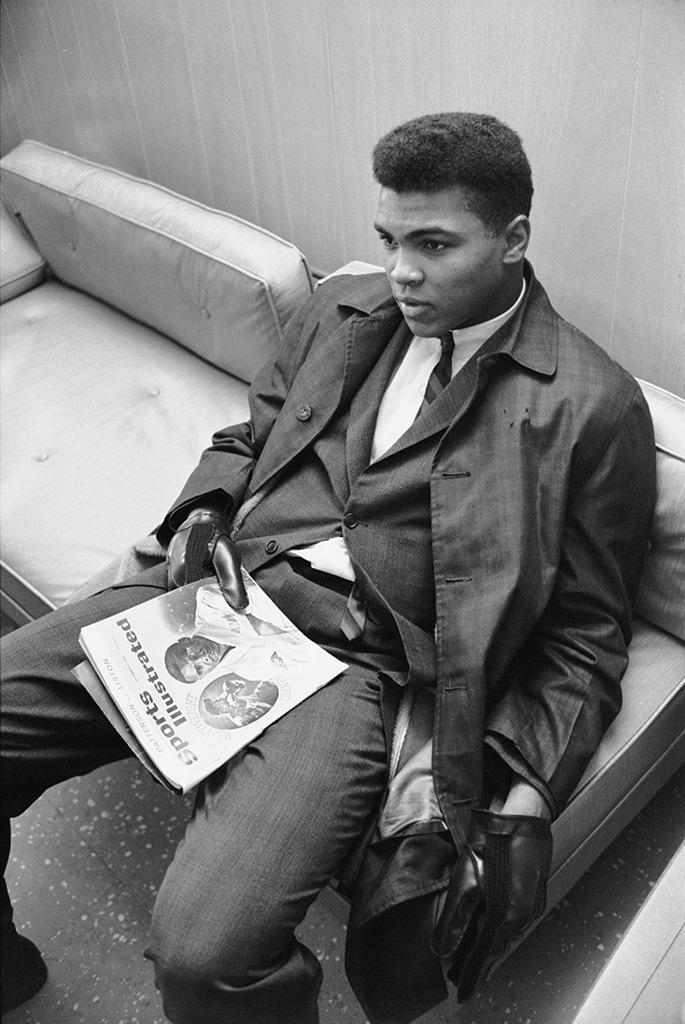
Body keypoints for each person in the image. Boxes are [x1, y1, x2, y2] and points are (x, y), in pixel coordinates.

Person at [0, 112, 655, 1023]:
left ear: (513, 239)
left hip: (349, 669)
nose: (402, 272)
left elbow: (587, 629)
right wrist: (198, 516)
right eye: (388, 238)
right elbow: (247, 435)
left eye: (433, 244)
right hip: (216, 591)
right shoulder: (344, 307)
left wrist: (524, 784)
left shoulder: (589, 406)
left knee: (206, 956)